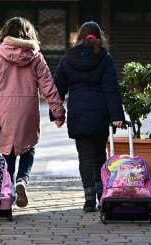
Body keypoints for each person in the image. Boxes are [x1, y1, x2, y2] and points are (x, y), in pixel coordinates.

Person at [0, 17, 66, 208]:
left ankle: (8, 190)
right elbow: (48, 87)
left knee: (7, 150)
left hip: (3, 113)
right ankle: (22, 181)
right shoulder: (36, 57)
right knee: (28, 148)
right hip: (27, 111)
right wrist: (58, 112)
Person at [51, 21, 125, 212]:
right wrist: (117, 115)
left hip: (78, 113)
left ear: (79, 37)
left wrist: (56, 115)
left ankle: (89, 199)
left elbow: (57, 88)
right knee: (100, 154)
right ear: (99, 36)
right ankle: (102, 196)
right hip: (100, 114)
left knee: (84, 157)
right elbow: (111, 88)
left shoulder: (68, 58)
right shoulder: (105, 57)